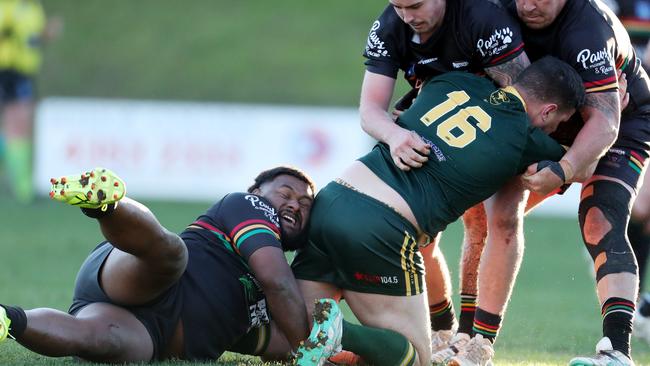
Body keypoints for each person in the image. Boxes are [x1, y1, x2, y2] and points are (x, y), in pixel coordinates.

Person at [290, 56, 585, 366]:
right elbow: (584, 163)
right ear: (549, 110)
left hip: (332, 199)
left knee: (294, 334)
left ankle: (312, 333)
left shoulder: (452, 81)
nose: (553, 131)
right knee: (415, 359)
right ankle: (340, 332)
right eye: (557, 124)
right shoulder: (528, 140)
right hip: (383, 226)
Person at [436, 0, 650, 364]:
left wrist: (566, 168)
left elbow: (605, 123)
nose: (528, 5)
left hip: (617, 120)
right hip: (546, 119)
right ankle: (470, 341)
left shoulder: (588, 28)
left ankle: (617, 352)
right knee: (486, 216)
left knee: (600, 219)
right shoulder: (492, 12)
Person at [0, 165, 318, 362]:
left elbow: (275, 343)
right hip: (143, 274)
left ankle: (7, 319)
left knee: (96, 337)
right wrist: (310, 350)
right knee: (170, 255)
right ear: (256, 192)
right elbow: (277, 282)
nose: (294, 204)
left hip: (153, 335)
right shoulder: (247, 205)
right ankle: (105, 204)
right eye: (285, 193)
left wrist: (316, 347)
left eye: (305, 205)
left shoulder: (273, 297)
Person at [360, 0, 534, 353]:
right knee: (417, 234)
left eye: (416, 5)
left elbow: (524, 97)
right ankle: (443, 329)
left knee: (495, 220)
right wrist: (395, 136)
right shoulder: (389, 26)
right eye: (399, 6)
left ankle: (477, 341)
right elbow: (369, 110)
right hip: (432, 130)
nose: (407, 16)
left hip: (492, 126)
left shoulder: (482, 17)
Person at [0, 0, 59, 203]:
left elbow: (30, 40)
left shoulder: (34, 8)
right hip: (6, 70)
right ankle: (22, 188)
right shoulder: (7, 5)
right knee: (16, 124)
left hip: (24, 72)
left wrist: (45, 35)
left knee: (18, 126)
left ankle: (21, 187)